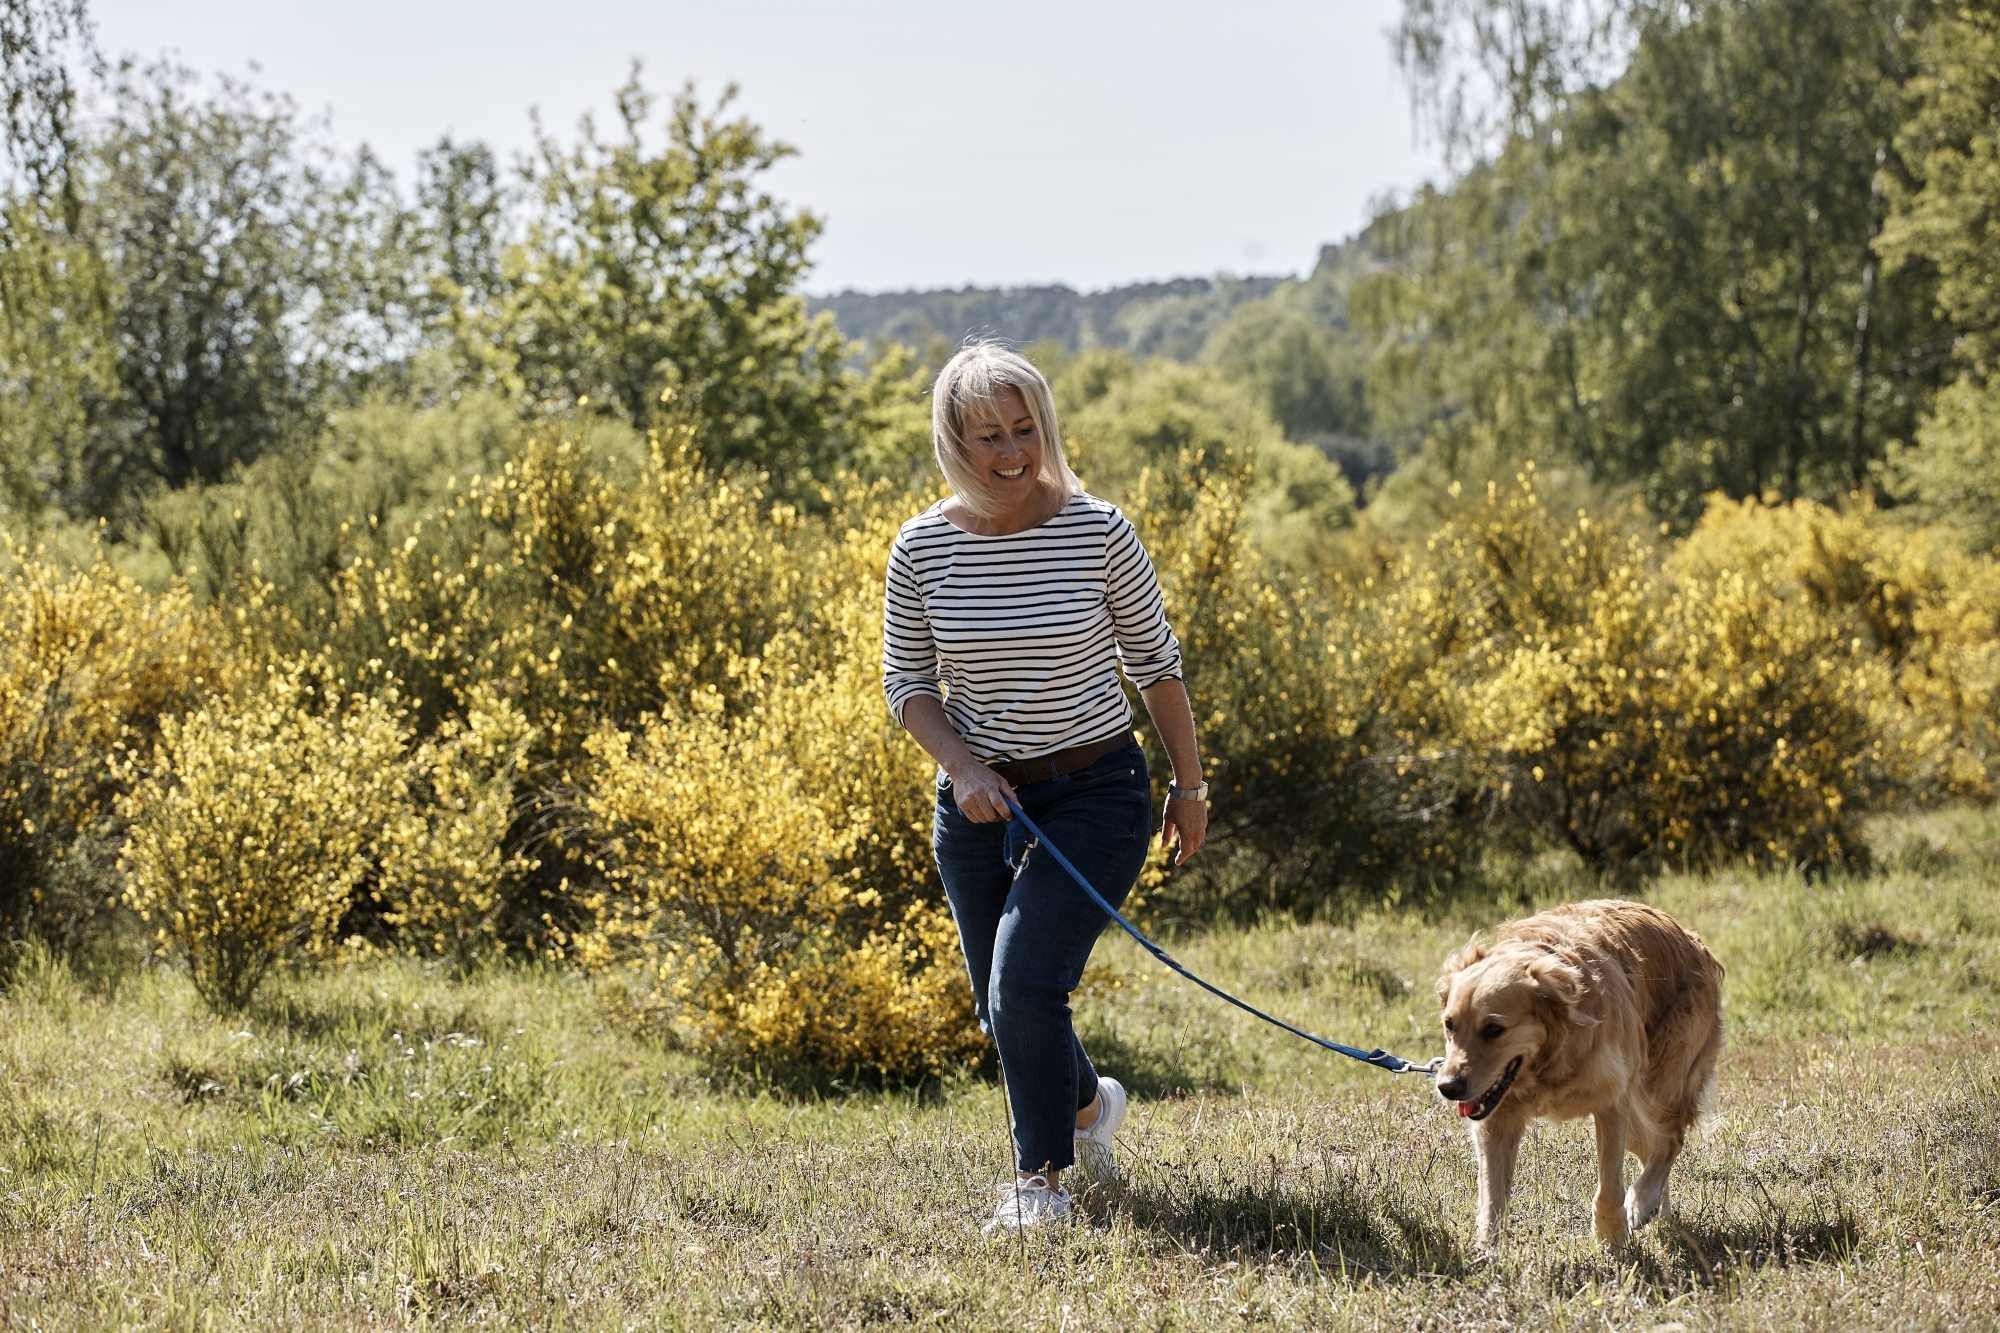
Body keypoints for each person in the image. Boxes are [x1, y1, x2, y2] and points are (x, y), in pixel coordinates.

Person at [882, 342, 1209, 1234]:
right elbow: (906, 685)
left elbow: (1157, 665)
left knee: (1025, 983)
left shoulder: (1098, 529)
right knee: (1001, 1007)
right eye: (989, 435)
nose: (1013, 451)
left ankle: (1041, 1184)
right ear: (955, 440)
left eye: (1026, 429)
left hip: (1097, 789)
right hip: (979, 805)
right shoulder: (920, 547)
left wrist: (1190, 786)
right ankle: (1088, 1105)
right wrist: (963, 766)